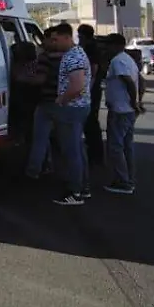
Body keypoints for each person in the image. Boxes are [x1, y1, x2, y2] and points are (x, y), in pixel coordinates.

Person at [49, 23, 93, 205]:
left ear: (67, 37)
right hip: (78, 107)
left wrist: (62, 100)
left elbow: (77, 86)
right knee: (78, 149)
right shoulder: (76, 53)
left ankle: (75, 193)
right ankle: (83, 187)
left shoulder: (73, 57)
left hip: (72, 109)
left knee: (71, 151)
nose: (53, 43)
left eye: (56, 39)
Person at [102, 34, 143, 194]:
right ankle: (128, 178)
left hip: (121, 110)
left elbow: (129, 82)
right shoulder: (128, 59)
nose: (105, 48)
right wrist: (138, 102)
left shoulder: (118, 61)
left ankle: (123, 181)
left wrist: (133, 102)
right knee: (126, 146)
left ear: (116, 45)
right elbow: (141, 82)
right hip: (127, 110)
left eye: (108, 45)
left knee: (115, 147)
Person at [24, 28, 63, 180]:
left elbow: (40, 79)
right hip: (64, 102)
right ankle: (68, 172)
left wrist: (23, 78)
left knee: (40, 139)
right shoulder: (69, 55)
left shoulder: (46, 57)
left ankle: (34, 171)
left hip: (47, 102)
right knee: (67, 141)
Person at [77, 24, 104, 166]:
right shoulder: (89, 47)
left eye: (80, 36)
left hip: (90, 90)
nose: (79, 38)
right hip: (90, 89)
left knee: (91, 122)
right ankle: (94, 153)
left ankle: (95, 154)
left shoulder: (91, 48)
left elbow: (93, 70)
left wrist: (86, 90)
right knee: (89, 122)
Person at [8, 40, 40, 147]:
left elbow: (17, 77)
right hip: (27, 100)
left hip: (26, 99)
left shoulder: (30, 66)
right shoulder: (34, 65)